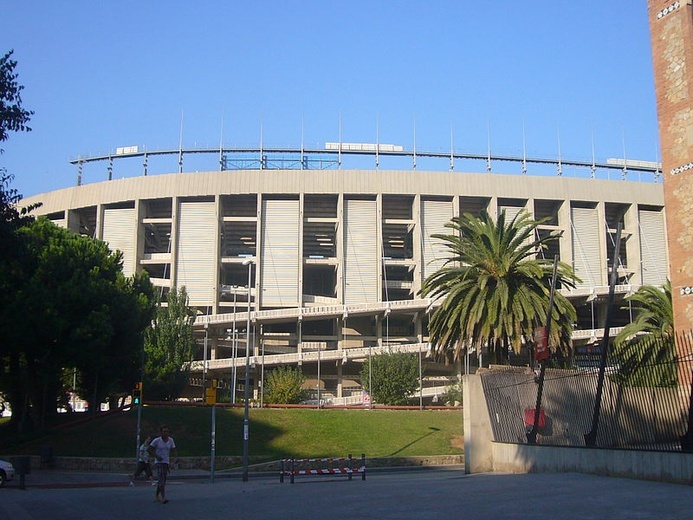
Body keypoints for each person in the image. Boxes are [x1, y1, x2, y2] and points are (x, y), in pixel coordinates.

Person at [148, 426, 177, 503]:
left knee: (162, 479)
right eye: (164, 431)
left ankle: (157, 495)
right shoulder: (157, 440)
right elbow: (149, 449)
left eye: (167, 431)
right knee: (161, 479)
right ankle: (163, 497)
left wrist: (174, 458)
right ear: (161, 432)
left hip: (166, 462)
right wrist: (156, 456)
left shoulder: (171, 440)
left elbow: (173, 449)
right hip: (159, 462)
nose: (166, 433)